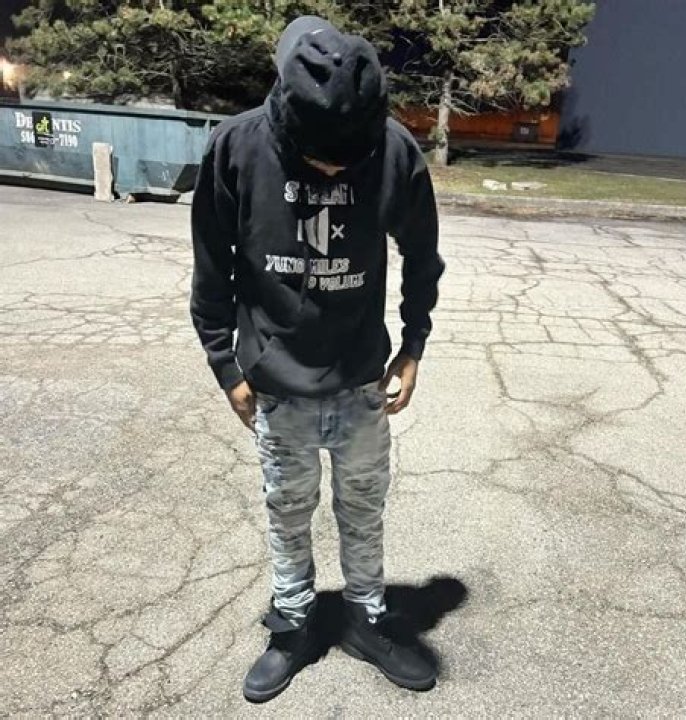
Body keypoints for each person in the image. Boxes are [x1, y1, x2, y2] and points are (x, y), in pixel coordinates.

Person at [189, 15, 445, 703]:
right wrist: (226, 368)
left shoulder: (392, 150)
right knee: (288, 511)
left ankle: (366, 618)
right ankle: (294, 626)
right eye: (323, 159)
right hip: (277, 388)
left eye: (348, 158)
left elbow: (423, 255)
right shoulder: (237, 147)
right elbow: (212, 268)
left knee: (363, 509)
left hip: (361, 383)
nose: (336, 169)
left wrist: (413, 346)